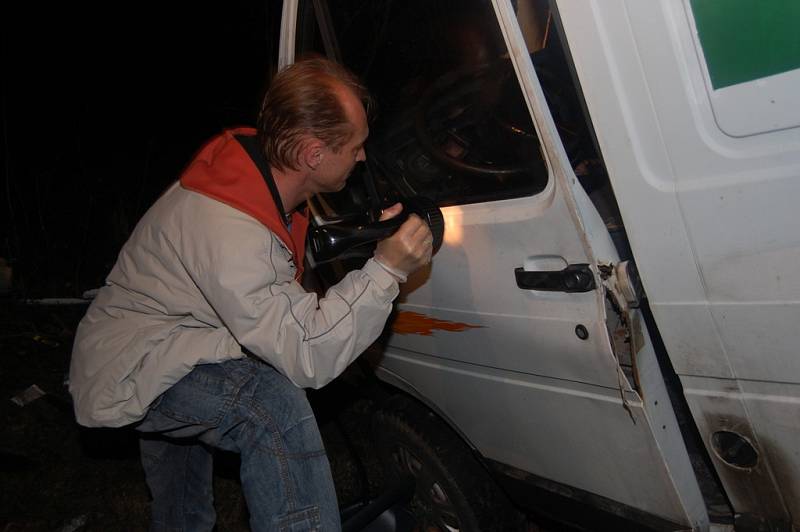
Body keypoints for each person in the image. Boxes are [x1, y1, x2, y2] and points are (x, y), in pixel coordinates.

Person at [68, 57, 433, 531]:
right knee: (272, 410)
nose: (363, 157)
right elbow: (307, 352)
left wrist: (369, 235)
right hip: (137, 361)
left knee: (184, 515)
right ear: (313, 154)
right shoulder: (226, 228)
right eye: (356, 146)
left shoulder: (264, 172)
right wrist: (387, 269)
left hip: (185, 332)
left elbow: (282, 267)